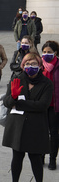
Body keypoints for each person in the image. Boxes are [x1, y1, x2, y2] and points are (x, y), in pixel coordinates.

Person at [2, 52, 53, 182]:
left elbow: (42, 105)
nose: (30, 66)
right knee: (17, 157)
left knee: (35, 158)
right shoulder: (17, 79)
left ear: (40, 66)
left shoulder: (47, 83)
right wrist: (13, 97)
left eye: (34, 63)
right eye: (28, 64)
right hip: (18, 125)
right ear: (23, 66)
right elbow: (7, 102)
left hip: (36, 126)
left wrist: (18, 103)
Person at [41, 41, 59, 170]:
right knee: (41, 132)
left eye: (49, 52)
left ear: (56, 53)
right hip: (41, 105)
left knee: (54, 133)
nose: (46, 54)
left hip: (55, 105)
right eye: (44, 52)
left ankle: (52, 159)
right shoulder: (39, 65)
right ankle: (40, 156)